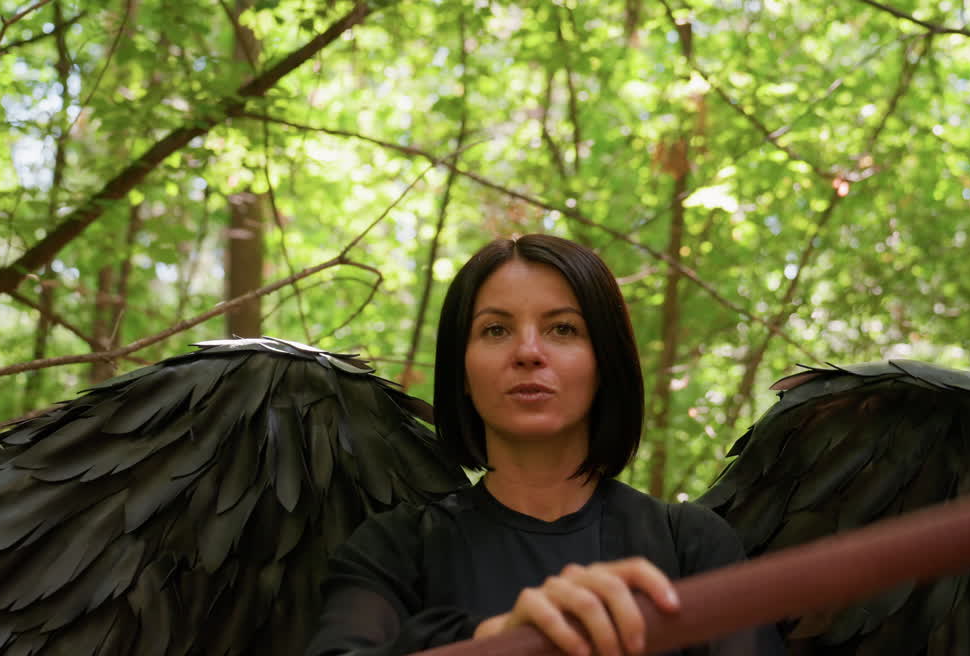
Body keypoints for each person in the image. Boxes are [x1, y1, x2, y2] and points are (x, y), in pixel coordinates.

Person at [306, 234, 784, 656]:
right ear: (463, 373)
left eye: (563, 329)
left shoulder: (692, 546)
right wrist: (495, 642)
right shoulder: (393, 549)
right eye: (496, 329)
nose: (528, 352)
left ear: (604, 363)